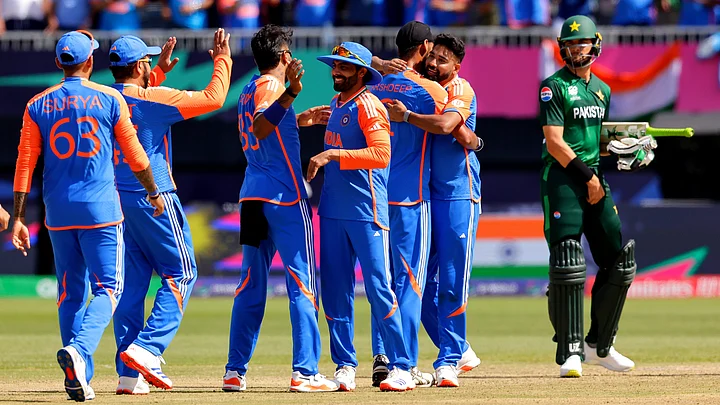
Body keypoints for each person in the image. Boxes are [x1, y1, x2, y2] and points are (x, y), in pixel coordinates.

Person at [12, 30, 164, 402]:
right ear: (91, 61)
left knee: (70, 294)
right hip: (100, 210)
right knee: (109, 288)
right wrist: (153, 191)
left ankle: (80, 377)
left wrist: (18, 217)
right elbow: (135, 155)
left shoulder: (37, 104)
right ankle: (79, 353)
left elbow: (25, 163)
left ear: (58, 63)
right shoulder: (110, 98)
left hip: (57, 211)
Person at [109, 29, 233, 393]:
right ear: (139, 66)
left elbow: (133, 103)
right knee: (182, 273)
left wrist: (158, 72)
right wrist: (223, 59)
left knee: (132, 286)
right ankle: (147, 349)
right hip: (154, 196)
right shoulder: (153, 99)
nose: (152, 65)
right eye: (148, 62)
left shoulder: (104, 98)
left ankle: (128, 376)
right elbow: (215, 97)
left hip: (117, 199)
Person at [223, 24, 337, 393]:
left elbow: (265, 127)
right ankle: (305, 372)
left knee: (250, 285)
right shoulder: (273, 87)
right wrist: (292, 92)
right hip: (285, 197)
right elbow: (260, 127)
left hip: (253, 196)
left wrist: (300, 118)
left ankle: (234, 371)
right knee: (302, 283)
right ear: (285, 56)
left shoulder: (248, 89)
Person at [309, 41, 415, 392]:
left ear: (361, 72)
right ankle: (344, 365)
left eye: (344, 66)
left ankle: (401, 366)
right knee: (335, 291)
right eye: (335, 66)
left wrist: (331, 155)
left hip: (366, 211)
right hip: (333, 211)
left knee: (379, 288)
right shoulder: (337, 104)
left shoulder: (369, 105)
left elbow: (381, 154)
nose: (336, 71)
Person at [539, 15, 636, 378]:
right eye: (569, 44)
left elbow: (597, 141)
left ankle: (600, 345)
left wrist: (632, 147)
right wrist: (588, 177)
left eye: (581, 43)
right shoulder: (553, 87)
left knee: (618, 261)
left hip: (595, 177)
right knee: (568, 261)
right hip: (563, 179)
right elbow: (555, 142)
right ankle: (570, 351)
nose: (576, 49)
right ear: (562, 48)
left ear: (595, 45)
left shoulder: (603, 90)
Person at [384, 33, 482, 387]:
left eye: (443, 59)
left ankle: (449, 360)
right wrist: (381, 64)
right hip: (424, 195)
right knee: (415, 282)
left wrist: (407, 116)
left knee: (452, 281)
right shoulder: (423, 87)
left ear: (457, 65)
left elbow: (446, 126)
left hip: (458, 194)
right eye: (433, 57)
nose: (435, 63)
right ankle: (457, 348)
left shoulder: (461, 89)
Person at [367, 20, 445, 389]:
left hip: (375, 195)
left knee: (381, 280)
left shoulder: (371, 88)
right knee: (409, 281)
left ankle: (382, 356)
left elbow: (342, 54)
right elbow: (452, 121)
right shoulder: (430, 90)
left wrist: (377, 65)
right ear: (425, 49)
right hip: (411, 198)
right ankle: (406, 364)